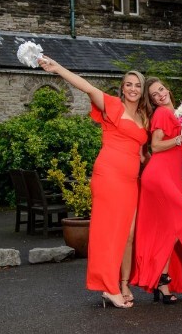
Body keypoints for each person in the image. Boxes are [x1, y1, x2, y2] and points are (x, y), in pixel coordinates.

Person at [39, 56, 149, 309]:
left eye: (137, 86)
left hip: (131, 179)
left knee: (128, 233)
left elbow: (142, 149)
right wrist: (58, 68)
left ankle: (120, 283)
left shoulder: (144, 115)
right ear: (122, 87)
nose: (133, 89)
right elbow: (86, 86)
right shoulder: (112, 104)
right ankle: (108, 287)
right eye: (129, 84)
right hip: (109, 175)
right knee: (108, 232)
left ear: (142, 90)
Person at [130, 77, 182, 304]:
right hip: (158, 176)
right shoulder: (162, 114)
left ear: (168, 89)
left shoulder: (179, 115)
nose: (160, 95)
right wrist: (178, 138)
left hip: (172, 177)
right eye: (155, 94)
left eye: (161, 90)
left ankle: (162, 283)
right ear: (152, 100)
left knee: (167, 231)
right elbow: (155, 146)